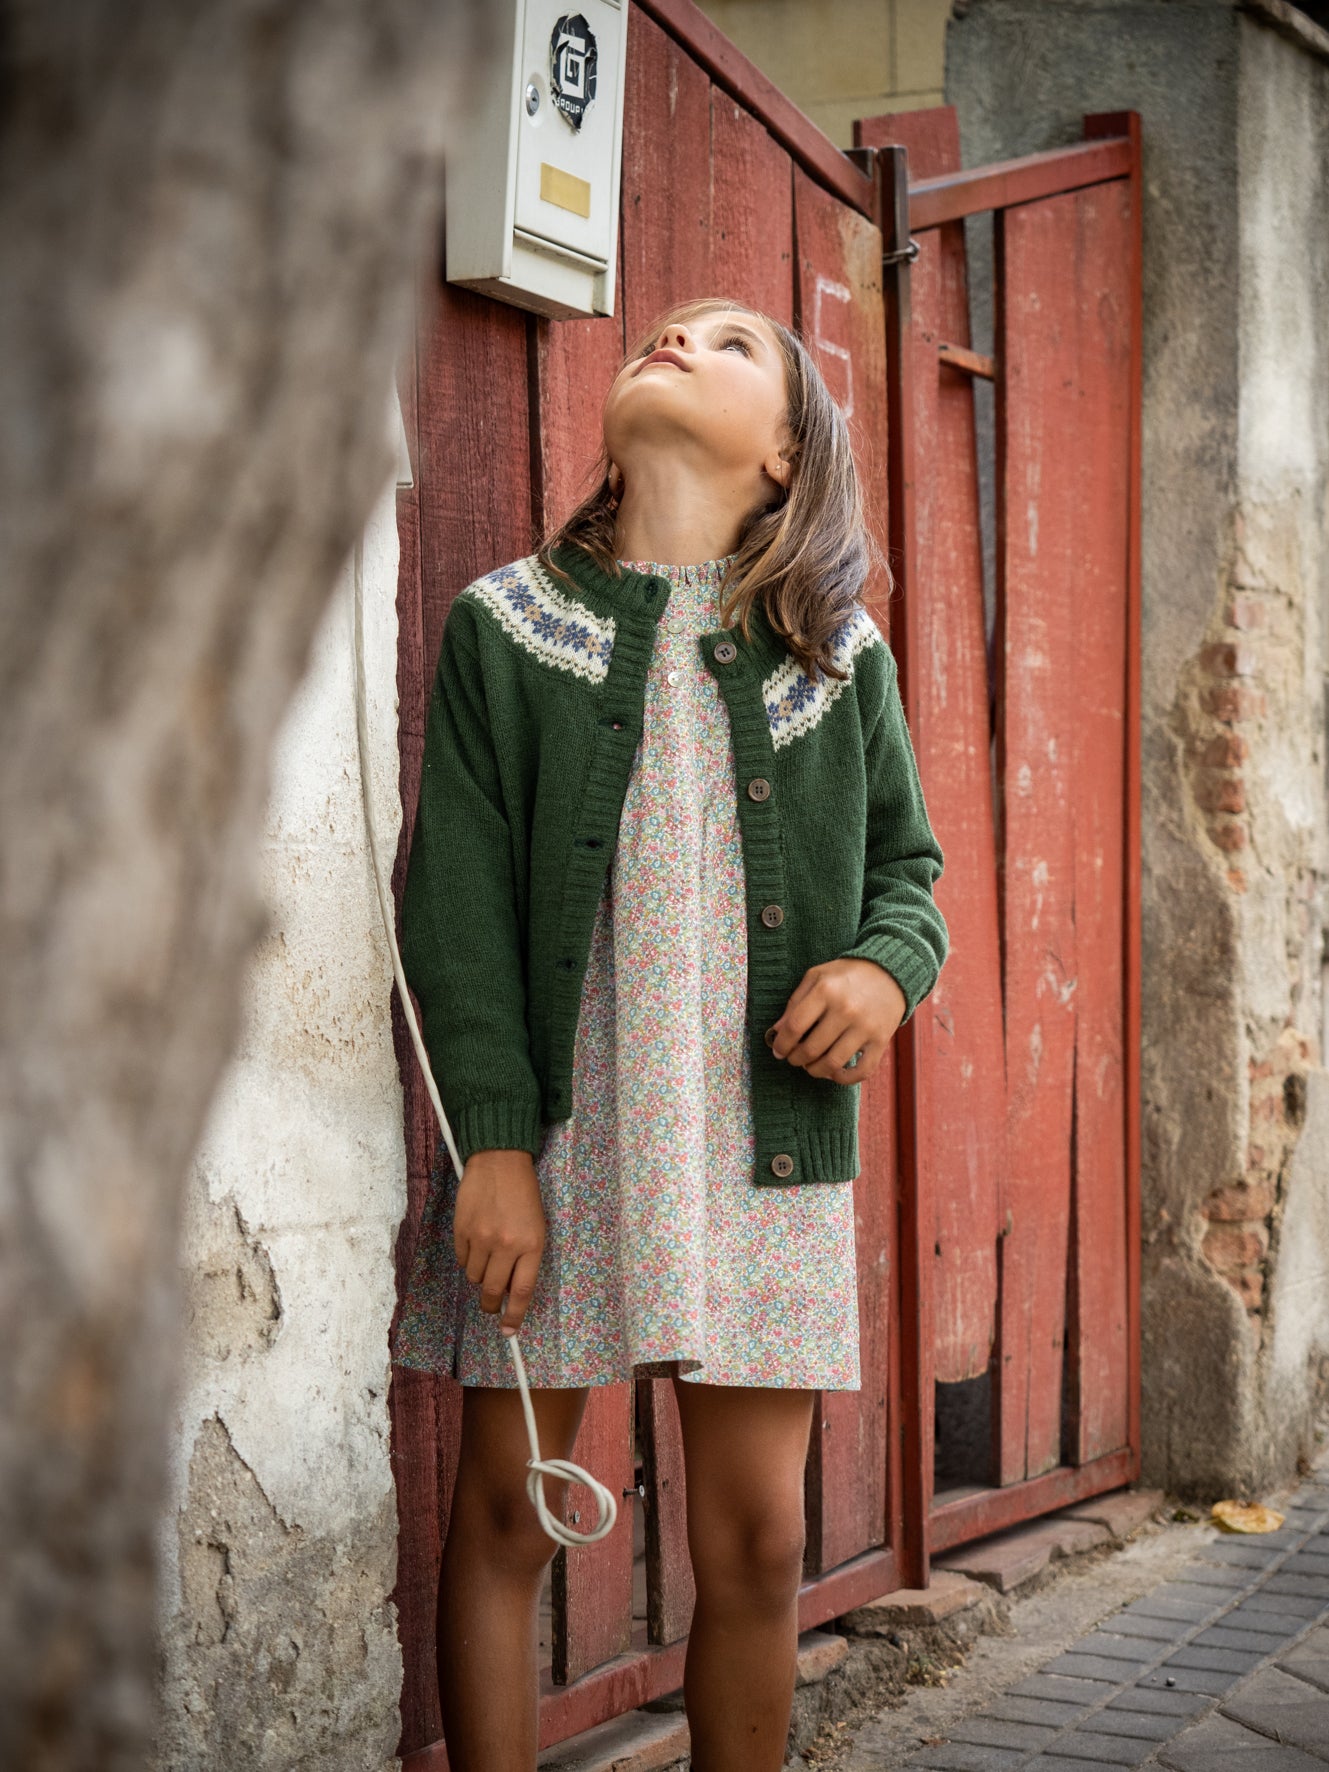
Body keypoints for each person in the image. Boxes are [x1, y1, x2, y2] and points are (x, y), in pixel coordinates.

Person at [390, 296, 949, 1771]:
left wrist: (886, 972)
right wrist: (495, 1149)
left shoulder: (836, 653)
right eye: (665, 328)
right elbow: (448, 905)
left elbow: (911, 874)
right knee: (511, 1513)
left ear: (783, 456)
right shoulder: (506, 629)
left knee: (759, 1545)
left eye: (729, 341)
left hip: (758, 1147)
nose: (677, 338)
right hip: (566, 1138)